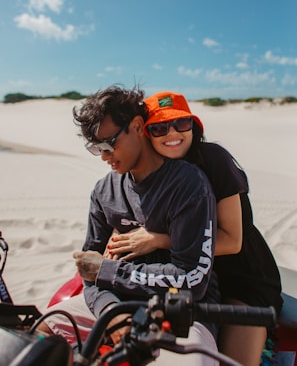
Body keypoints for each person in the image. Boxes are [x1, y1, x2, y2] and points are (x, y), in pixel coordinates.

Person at [40, 85, 220, 366]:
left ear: (137, 127)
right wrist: (112, 310)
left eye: (109, 143)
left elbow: (192, 279)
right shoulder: (104, 191)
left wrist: (109, 271)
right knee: (36, 337)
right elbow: (89, 270)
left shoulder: (188, 185)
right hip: (113, 306)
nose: (104, 155)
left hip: (183, 314)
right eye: (96, 148)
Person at [106, 91, 283, 366]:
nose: (172, 133)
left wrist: (157, 240)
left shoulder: (213, 160)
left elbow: (232, 241)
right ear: (146, 133)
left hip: (238, 277)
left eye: (182, 124)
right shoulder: (150, 169)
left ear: (193, 126)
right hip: (186, 277)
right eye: (160, 127)